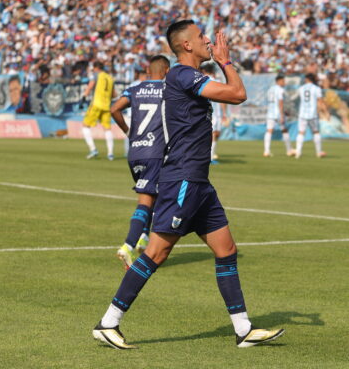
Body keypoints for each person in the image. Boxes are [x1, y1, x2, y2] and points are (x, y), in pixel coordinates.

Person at [92, 20, 285, 350]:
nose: (208, 41)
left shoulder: (185, 76)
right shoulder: (181, 74)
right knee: (156, 252)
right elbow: (238, 94)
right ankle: (108, 323)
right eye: (201, 37)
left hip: (199, 183)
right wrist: (225, 61)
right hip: (181, 178)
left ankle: (243, 329)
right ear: (186, 46)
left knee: (226, 251)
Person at [109, 55, 170, 270]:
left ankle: (144, 238)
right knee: (147, 200)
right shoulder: (167, 90)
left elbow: (114, 109)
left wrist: (128, 132)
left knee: (155, 195)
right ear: (165, 71)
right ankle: (128, 246)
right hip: (155, 151)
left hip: (135, 151)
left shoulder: (135, 89)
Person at [82, 61, 115, 160]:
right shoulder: (110, 77)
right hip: (107, 106)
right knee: (107, 129)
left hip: (96, 104)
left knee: (85, 126)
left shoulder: (96, 75)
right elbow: (114, 94)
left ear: (96, 68)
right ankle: (110, 153)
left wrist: (84, 96)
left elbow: (91, 85)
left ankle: (93, 149)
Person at [294, 73, 325, 159]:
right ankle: (318, 152)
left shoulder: (301, 88)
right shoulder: (317, 89)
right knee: (316, 132)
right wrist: (324, 111)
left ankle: (298, 152)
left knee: (301, 132)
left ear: (307, 79)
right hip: (312, 114)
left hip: (302, 113)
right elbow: (320, 101)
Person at [202, 63, 228, 164]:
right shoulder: (216, 82)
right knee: (213, 134)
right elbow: (222, 99)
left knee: (214, 134)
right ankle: (209, 157)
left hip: (207, 111)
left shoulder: (202, 80)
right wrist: (225, 113)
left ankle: (210, 155)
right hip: (213, 112)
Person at [263, 74, 294, 157]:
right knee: (284, 130)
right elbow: (280, 102)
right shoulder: (280, 90)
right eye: (283, 81)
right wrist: (282, 114)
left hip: (270, 112)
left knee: (269, 131)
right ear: (279, 81)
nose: (284, 83)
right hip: (277, 113)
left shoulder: (270, 89)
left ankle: (266, 151)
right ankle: (289, 150)